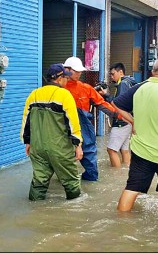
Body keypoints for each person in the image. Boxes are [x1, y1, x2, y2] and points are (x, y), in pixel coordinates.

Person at [112, 58, 158, 213]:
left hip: (141, 150)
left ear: (152, 72)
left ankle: (121, 221)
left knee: (132, 187)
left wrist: (132, 121)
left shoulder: (140, 87)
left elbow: (116, 104)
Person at [20, 63, 84, 200]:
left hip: (38, 148)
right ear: (60, 79)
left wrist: (28, 142)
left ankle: (35, 210)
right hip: (59, 148)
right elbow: (73, 123)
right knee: (71, 182)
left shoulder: (33, 95)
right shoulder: (64, 95)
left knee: (39, 181)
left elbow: (26, 120)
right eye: (66, 78)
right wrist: (78, 144)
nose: (67, 81)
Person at [63, 56, 122, 181]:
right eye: (76, 71)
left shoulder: (85, 88)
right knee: (63, 158)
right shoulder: (58, 89)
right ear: (66, 70)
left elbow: (102, 104)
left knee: (89, 156)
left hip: (82, 127)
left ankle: (89, 180)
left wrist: (119, 115)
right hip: (62, 126)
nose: (79, 73)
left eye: (80, 71)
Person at [97, 62, 136, 167]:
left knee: (111, 150)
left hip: (121, 121)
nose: (111, 76)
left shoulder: (123, 84)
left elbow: (119, 104)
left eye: (113, 74)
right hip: (129, 121)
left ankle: (116, 173)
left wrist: (106, 95)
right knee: (124, 150)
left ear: (121, 72)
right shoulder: (130, 82)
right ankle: (125, 173)